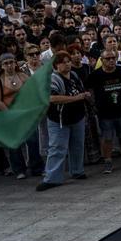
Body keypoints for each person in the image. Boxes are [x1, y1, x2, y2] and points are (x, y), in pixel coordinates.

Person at [36, 50, 90, 192]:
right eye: (63, 62)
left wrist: (85, 96)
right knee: (57, 148)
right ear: (55, 66)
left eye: (68, 61)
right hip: (58, 119)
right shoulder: (53, 78)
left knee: (77, 146)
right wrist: (76, 98)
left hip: (77, 116)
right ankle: (52, 178)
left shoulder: (74, 75)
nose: (67, 64)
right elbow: (52, 98)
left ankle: (77, 171)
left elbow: (80, 90)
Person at [88, 50, 121, 173]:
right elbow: (88, 90)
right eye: (108, 58)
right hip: (104, 113)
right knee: (107, 138)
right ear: (102, 60)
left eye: (113, 58)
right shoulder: (96, 74)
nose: (111, 60)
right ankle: (108, 162)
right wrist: (93, 105)